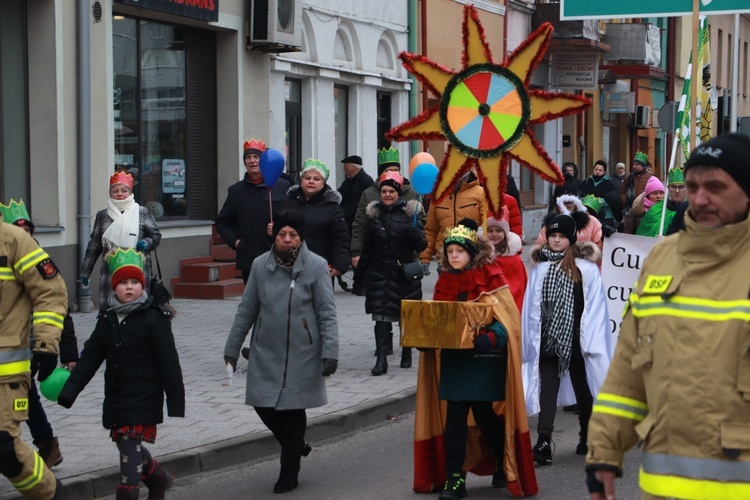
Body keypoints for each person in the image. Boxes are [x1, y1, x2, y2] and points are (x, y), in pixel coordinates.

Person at [585, 133, 750, 498]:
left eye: (716, 186)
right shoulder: (662, 258)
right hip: (663, 486)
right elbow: (627, 372)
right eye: (692, 186)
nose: (700, 197)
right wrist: (604, 453)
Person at [412, 219, 537, 498]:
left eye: (459, 251)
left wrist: (493, 336)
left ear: (472, 252)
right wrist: (424, 339)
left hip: (483, 361)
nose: (454, 256)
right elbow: (438, 321)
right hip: (454, 362)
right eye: (450, 251)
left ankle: (499, 457)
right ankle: (454, 478)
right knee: (454, 420)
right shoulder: (444, 280)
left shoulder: (491, 275)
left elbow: (509, 321)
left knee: (484, 416)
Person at [223, 210, 339, 494]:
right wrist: (232, 348)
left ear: (301, 238)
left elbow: (327, 313)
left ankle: (289, 470)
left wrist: (330, 351)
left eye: (292, 235)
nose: (286, 240)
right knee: (263, 403)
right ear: (274, 236)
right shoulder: (261, 265)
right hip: (266, 350)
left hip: (303, 352)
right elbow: (246, 309)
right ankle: (295, 444)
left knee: (293, 409)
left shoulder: (316, 266)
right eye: (281, 235)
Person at [59, 248, 184, 500]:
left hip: (144, 397)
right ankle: (158, 479)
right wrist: (70, 391)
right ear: (114, 287)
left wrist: (176, 401)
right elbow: (91, 356)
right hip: (117, 399)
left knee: (128, 455)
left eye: (135, 282)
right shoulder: (107, 319)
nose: (129, 287)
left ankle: (129, 494)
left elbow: (169, 362)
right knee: (128, 446)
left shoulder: (154, 318)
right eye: (123, 283)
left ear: (142, 285)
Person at [523, 214, 613, 465]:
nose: (556, 240)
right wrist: (532, 338)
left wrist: (590, 341)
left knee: (584, 391)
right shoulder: (540, 268)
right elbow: (531, 308)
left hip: (577, 341)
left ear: (571, 239)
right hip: (549, 340)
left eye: (562, 236)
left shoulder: (586, 269)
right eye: (552, 236)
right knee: (547, 390)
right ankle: (543, 441)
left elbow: (595, 307)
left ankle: (586, 433)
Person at [0, 200, 79, 469]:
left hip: (31, 350)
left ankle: (42, 446)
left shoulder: (37, 260)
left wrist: (66, 353)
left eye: (27, 228)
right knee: (27, 395)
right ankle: (45, 445)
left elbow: (61, 312)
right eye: (17, 227)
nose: (23, 233)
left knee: (25, 396)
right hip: (13, 348)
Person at [354, 171, 427, 374]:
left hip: (404, 275)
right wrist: (359, 276)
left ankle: (406, 350)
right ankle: (382, 359)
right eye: (384, 191)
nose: (387, 195)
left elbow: (422, 246)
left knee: (406, 316)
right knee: (380, 317)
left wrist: (416, 236)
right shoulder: (374, 217)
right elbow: (368, 249)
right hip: (380, 273)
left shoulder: (409, 215)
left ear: (398, 193)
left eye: (391, 191)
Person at [80, 171, 162, 307]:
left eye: (124, 190)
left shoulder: (142, 212)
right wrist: (85, 271)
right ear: (110, 193)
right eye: (115, 191)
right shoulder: (103, 216)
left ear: (130, 192)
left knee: (137, 312)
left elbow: (156, 236)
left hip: (138, 270)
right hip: (110, 272)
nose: (119, 194)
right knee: (109, 312)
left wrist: (146, 243)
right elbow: (94, 246)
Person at [215, 139, 291, 284]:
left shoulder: (282, 187)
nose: (252, 161)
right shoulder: (236, 191)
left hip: (279, 255)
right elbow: (222, 221)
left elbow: (294, 217)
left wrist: (280, 228)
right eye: (248, 158)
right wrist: (236, 242)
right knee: (253, 302)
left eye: (256, 157)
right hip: (249, 258)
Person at [350, 147, 423, 295]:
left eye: (396, 170)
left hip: (404, 259)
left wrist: (415, 235)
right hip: (378, 258)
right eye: (388, 170)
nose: (392, 173)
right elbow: (359, 224)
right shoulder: (369, 194)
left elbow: (422, 222)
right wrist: (357, 251)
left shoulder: (411, 193)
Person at [280, 158, 350, 279]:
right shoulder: (288, 204)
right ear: (301, 180)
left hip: (321, 267)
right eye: (307, 178)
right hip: (289, 266)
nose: (311, 182)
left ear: (323, 183)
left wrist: (339, 265)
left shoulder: (332, 208)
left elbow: (341, 238)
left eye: (316, 179)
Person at [419, 170, 487, 275]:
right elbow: (431, 230)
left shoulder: (481, 193)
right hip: (445, 260)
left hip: (472, 259)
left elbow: (486, 225)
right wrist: (425, 258)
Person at [485, 216, 527, 312]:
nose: (494, 234)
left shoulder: (513, 256)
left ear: (505, 233)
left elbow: (519, 284)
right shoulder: (482, 256)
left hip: (511, 299)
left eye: (498, 231)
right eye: (490, 231)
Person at [536, 194, 603, 253]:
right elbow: (540, 245)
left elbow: (601, 248)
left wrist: (606, 238)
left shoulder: (592, 221)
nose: (566, 205)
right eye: (563, 202)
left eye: (569, 202)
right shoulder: (552, 222)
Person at [636, 167, 687, 237]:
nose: (677, 191)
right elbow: (643, 236)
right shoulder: (656, 208)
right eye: (673, 187)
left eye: (681, 187)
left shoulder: (692, 209)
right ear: (668, 188)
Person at [337, 154, 374, 232]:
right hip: (347, 221)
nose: (344, 169)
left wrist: (342, 211)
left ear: (353, 167)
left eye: (345, 166)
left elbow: (362, 203)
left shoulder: (367, 181)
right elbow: (338, 194)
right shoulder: (348, 181)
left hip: (359, 223)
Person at [580, 160, 623, 227]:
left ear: (604, 172)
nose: (597, 172)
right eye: (596, 169)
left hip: (605, 216)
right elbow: (580, 196)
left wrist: (594, 201)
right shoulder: (587, 182)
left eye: (600, 170)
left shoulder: (609, 183)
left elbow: (612, 199)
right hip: (589, 215)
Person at [620, 151, 654, 216]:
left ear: (642, 165)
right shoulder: (628, 177)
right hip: (629, 211)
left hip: (646, 211)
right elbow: (622, 191)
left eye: (637, 165)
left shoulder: (651, 177)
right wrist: (626, 203)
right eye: (634, 164)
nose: (634, 167)